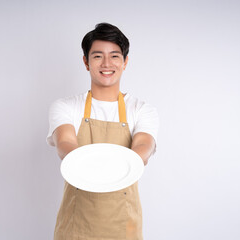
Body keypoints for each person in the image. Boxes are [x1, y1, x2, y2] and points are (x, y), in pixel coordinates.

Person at [47, 23, 159, 240]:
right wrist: (112, 167)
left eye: (115, 56)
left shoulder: (142, 110)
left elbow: (144, 147)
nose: (107, 63)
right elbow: (65, 144)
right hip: (76, 227)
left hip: (124, 227)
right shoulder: (66, 107)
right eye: (98, 56)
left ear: (125, 62)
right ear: (86, 62)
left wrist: (103, 168)